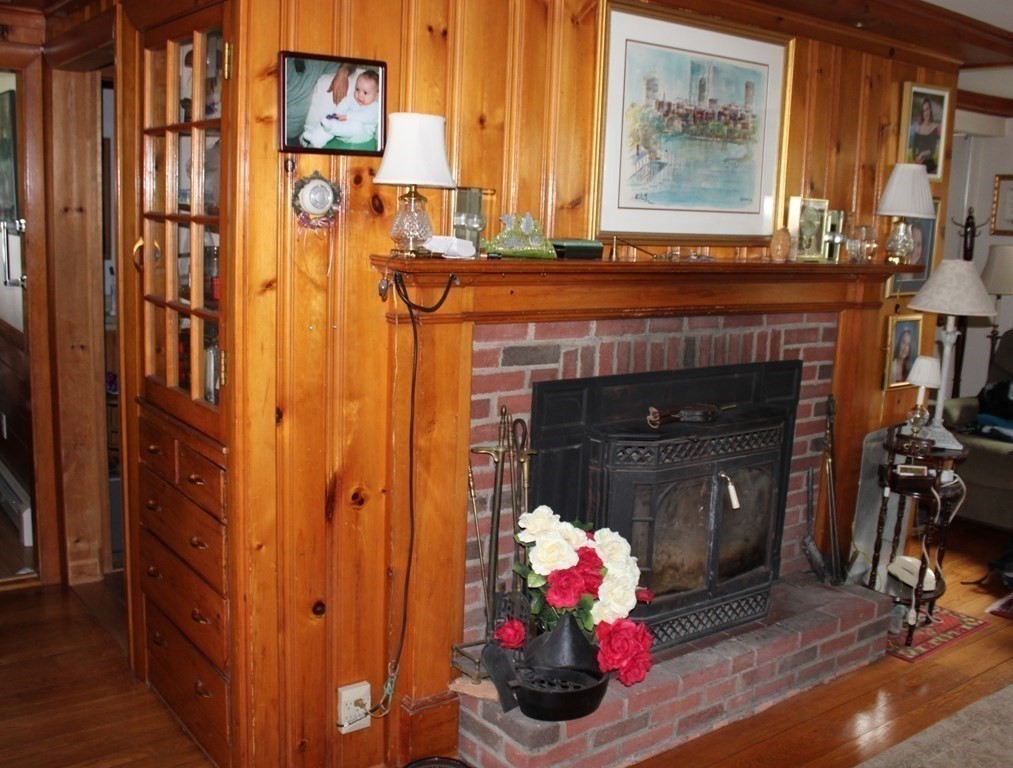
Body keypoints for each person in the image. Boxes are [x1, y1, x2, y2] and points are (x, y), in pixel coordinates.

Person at [302, 69, 381, 149]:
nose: (360, 95)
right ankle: (315, 138)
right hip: (343, 131)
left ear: (377, 95)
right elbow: (343, 105)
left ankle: (331, 127)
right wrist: (337, 115)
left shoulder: (375, 107)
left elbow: (367, 117)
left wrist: (347, 117)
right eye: (357, 90)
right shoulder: (352, 99)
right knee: (328, 120)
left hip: (362, 134)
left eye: (365, 93)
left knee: (357, 126)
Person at [910, 97, 940, 175]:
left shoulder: (934, 127)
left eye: (927, 109)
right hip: (918, 170)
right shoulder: (918, 128)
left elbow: (932, 150)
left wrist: (922, 154)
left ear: (930, 110)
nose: (926, 113)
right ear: (922, 113)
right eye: (924, 111)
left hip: (931, 169)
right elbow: (914, 150)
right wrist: (916, 159)